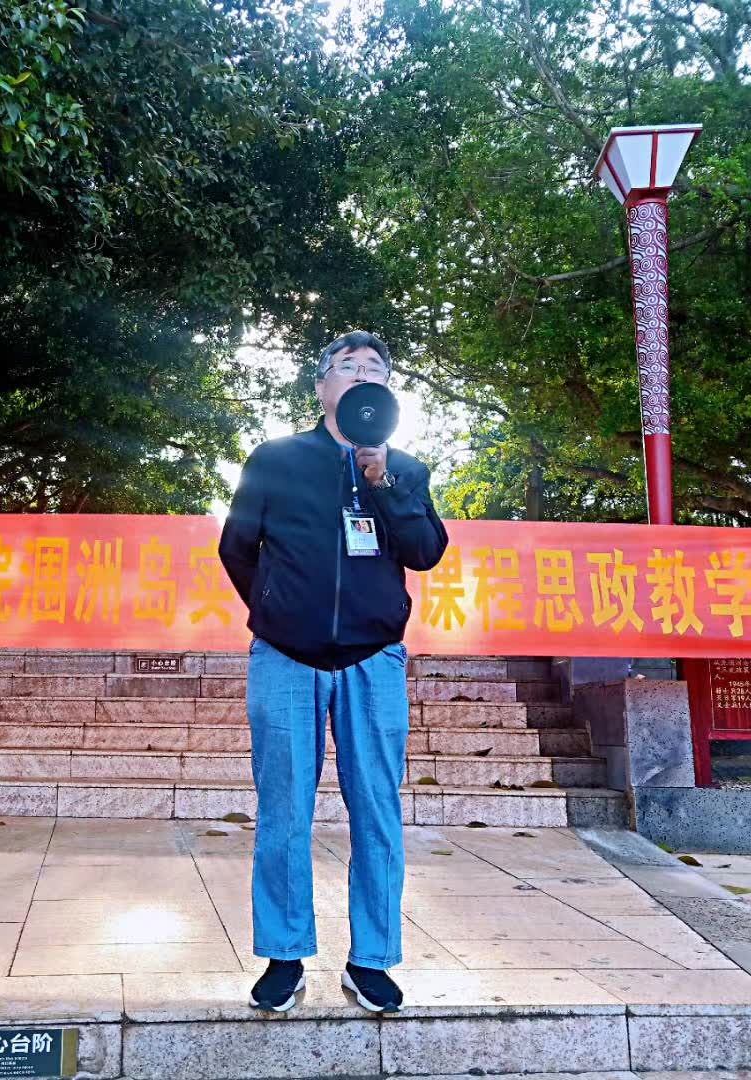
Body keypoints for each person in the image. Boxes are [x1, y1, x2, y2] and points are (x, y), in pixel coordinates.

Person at [219, 330, 449, 1013]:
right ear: (321, 387)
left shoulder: (405, 468)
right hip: (285, 658)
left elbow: (426, 550)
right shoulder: (276, 459)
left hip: (373, 661)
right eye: (346, 366)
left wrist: (385, 485)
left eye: (373, 368)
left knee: (377, 808)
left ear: (387, 390)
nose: (359, 375)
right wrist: (278, 610)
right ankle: (284, 955)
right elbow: (237, 547)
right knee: (284, 809)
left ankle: (371, 959)